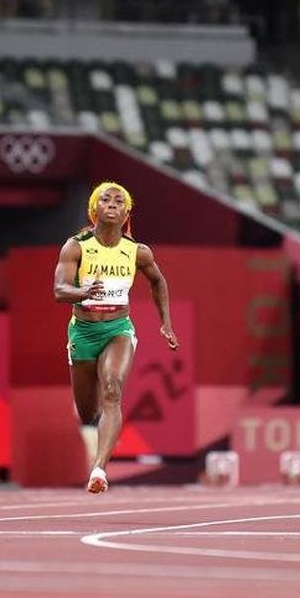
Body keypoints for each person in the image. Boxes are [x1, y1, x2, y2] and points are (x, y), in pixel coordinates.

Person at [53, 182, 179, 494]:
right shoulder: (76, 246)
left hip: (117, 330)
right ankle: (97, 434)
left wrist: (166, 323)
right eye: (105, 199)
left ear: (126, 213)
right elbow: (59, 290)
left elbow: (158, 282)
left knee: (112, 389)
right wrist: (82, 292)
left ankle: (99, 469)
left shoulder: (137, 251)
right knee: (87, 411)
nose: (112, 203)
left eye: (119, 200)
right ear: (94, 210)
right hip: (82, 332)